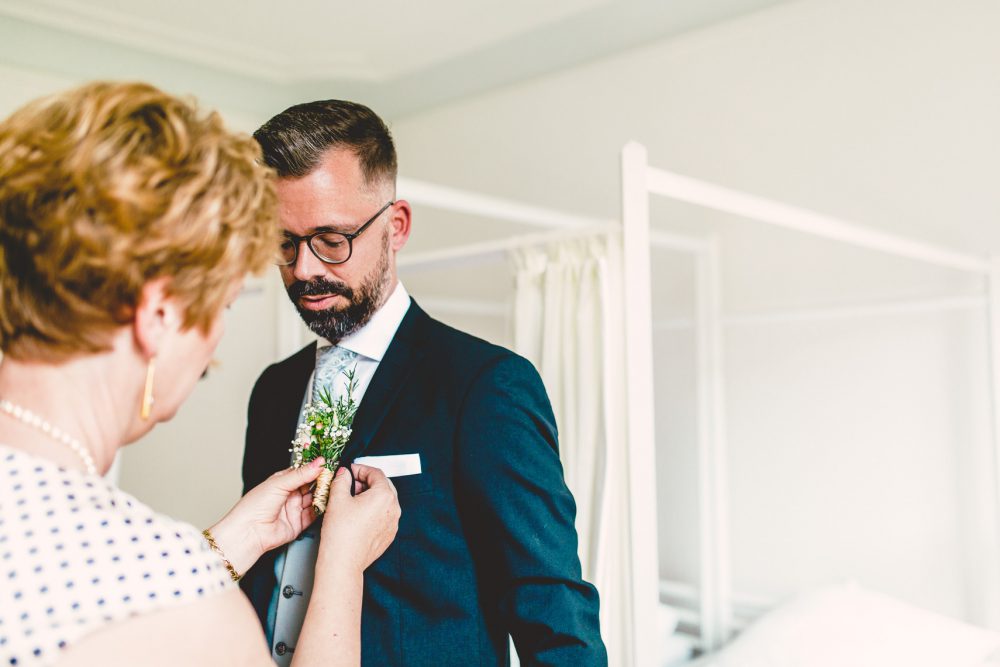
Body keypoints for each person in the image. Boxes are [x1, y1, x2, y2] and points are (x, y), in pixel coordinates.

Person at [0, 82, 400, 667]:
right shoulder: (185, 606)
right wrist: (340, 566)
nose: (214, 344)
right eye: (223, 304)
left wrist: (226, 545)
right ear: (159, 315)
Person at [241, 100, 607, 665]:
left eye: (331, 239)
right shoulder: (273, 390)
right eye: (285, 243)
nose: (305, 269)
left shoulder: (486, 387)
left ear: (396, 226)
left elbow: (555, 620)